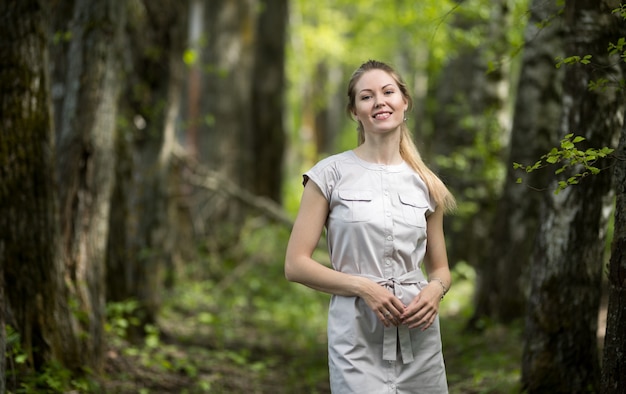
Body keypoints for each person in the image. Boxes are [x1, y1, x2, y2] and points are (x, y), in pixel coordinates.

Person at [285, 59, 456, 394]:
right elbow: (295, 265)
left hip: (419, 338)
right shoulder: (328, 175)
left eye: (388, 92)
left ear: (404, 103)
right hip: (356, 337)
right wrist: (366, 288)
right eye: (367, 96)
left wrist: (435, 290)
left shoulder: (427, 184)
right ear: (355, 111)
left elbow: (441, 269)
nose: (379, 101)